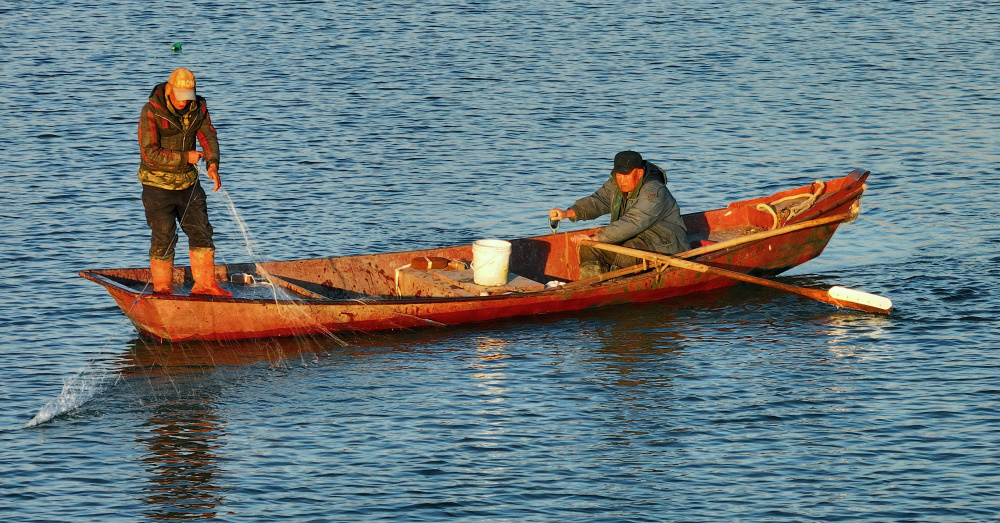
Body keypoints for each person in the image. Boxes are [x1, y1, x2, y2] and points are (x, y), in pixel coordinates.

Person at [138, 67, 231, 296]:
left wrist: (213, 164)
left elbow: (208, 135)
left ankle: (205, 285)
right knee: (164, 235)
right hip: (157, 185)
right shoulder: (151, 111)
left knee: (202, 231)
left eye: (187, 97)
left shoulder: (198, 107)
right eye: (180, 97)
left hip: (189, 183)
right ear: (169, 90)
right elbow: (149, 153)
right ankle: (162, 288)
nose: (183, 102)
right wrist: (185, 157)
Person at [549, 151, 689, 280]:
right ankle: (593, 286)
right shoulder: (616, 184)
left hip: (664, 243)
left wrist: (598, 237)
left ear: (639, 173)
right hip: (631, 236)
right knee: (590, 248)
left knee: (627, 252)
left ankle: (615, 286)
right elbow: (599, 201)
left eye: (626, 175)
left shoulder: (654, 192)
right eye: (618, 175)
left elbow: (634, 221)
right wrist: (568, 213)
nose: (621, 180)